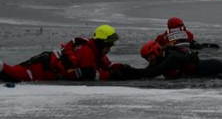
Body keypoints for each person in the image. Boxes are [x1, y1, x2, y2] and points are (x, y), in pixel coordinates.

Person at [1, 25, 133, 82]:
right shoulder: (87, 51)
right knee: (13, 74)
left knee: (12, 73)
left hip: (45, 63)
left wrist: (124, 68)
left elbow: (108, 66)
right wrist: (113, 75)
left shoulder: (95, 52)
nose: (110, 48)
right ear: (100, 42)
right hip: (40, 68)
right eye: (108, 44)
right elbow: (90, 74)